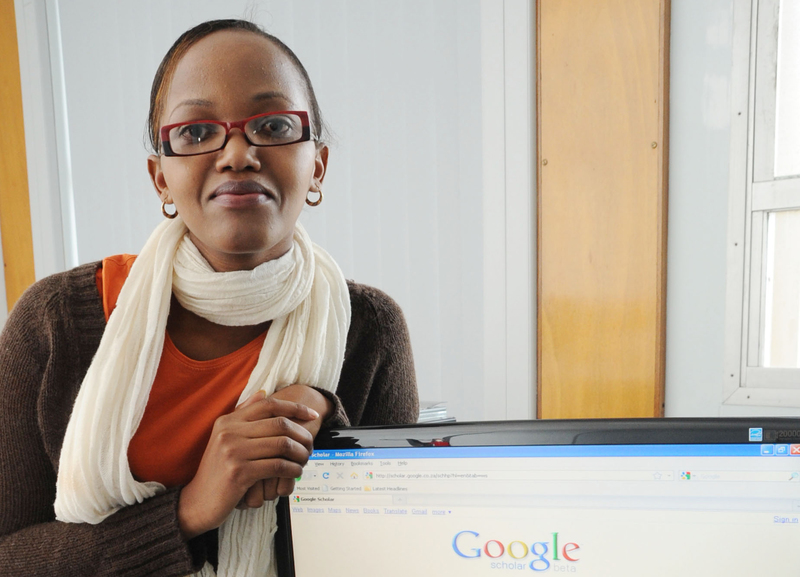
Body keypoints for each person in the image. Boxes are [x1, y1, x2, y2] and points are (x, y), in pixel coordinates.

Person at [0, 19, 418, 577]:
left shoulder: (369, 331)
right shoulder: (54, 323)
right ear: (160, 180)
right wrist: (190, 511)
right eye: (196, 133)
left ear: (316, 164)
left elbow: (390, 551)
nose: (237, 154)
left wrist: (328, 431)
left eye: (272, 125)